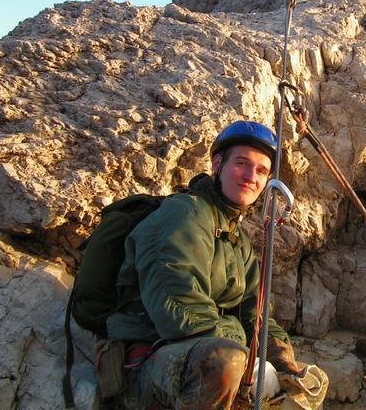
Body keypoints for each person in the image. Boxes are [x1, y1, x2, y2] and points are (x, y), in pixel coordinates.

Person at [106, 120, 312, 409]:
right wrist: (245, 356)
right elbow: (178, 306)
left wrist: (283, 363)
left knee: (307, 383)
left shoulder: (238, 239)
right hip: (149, 362)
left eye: (262, 171)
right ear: (218, 164)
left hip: (201, 353)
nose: (251, 177)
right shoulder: (185, 214)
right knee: (226, 360)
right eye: (242, 163)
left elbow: (255, 313)